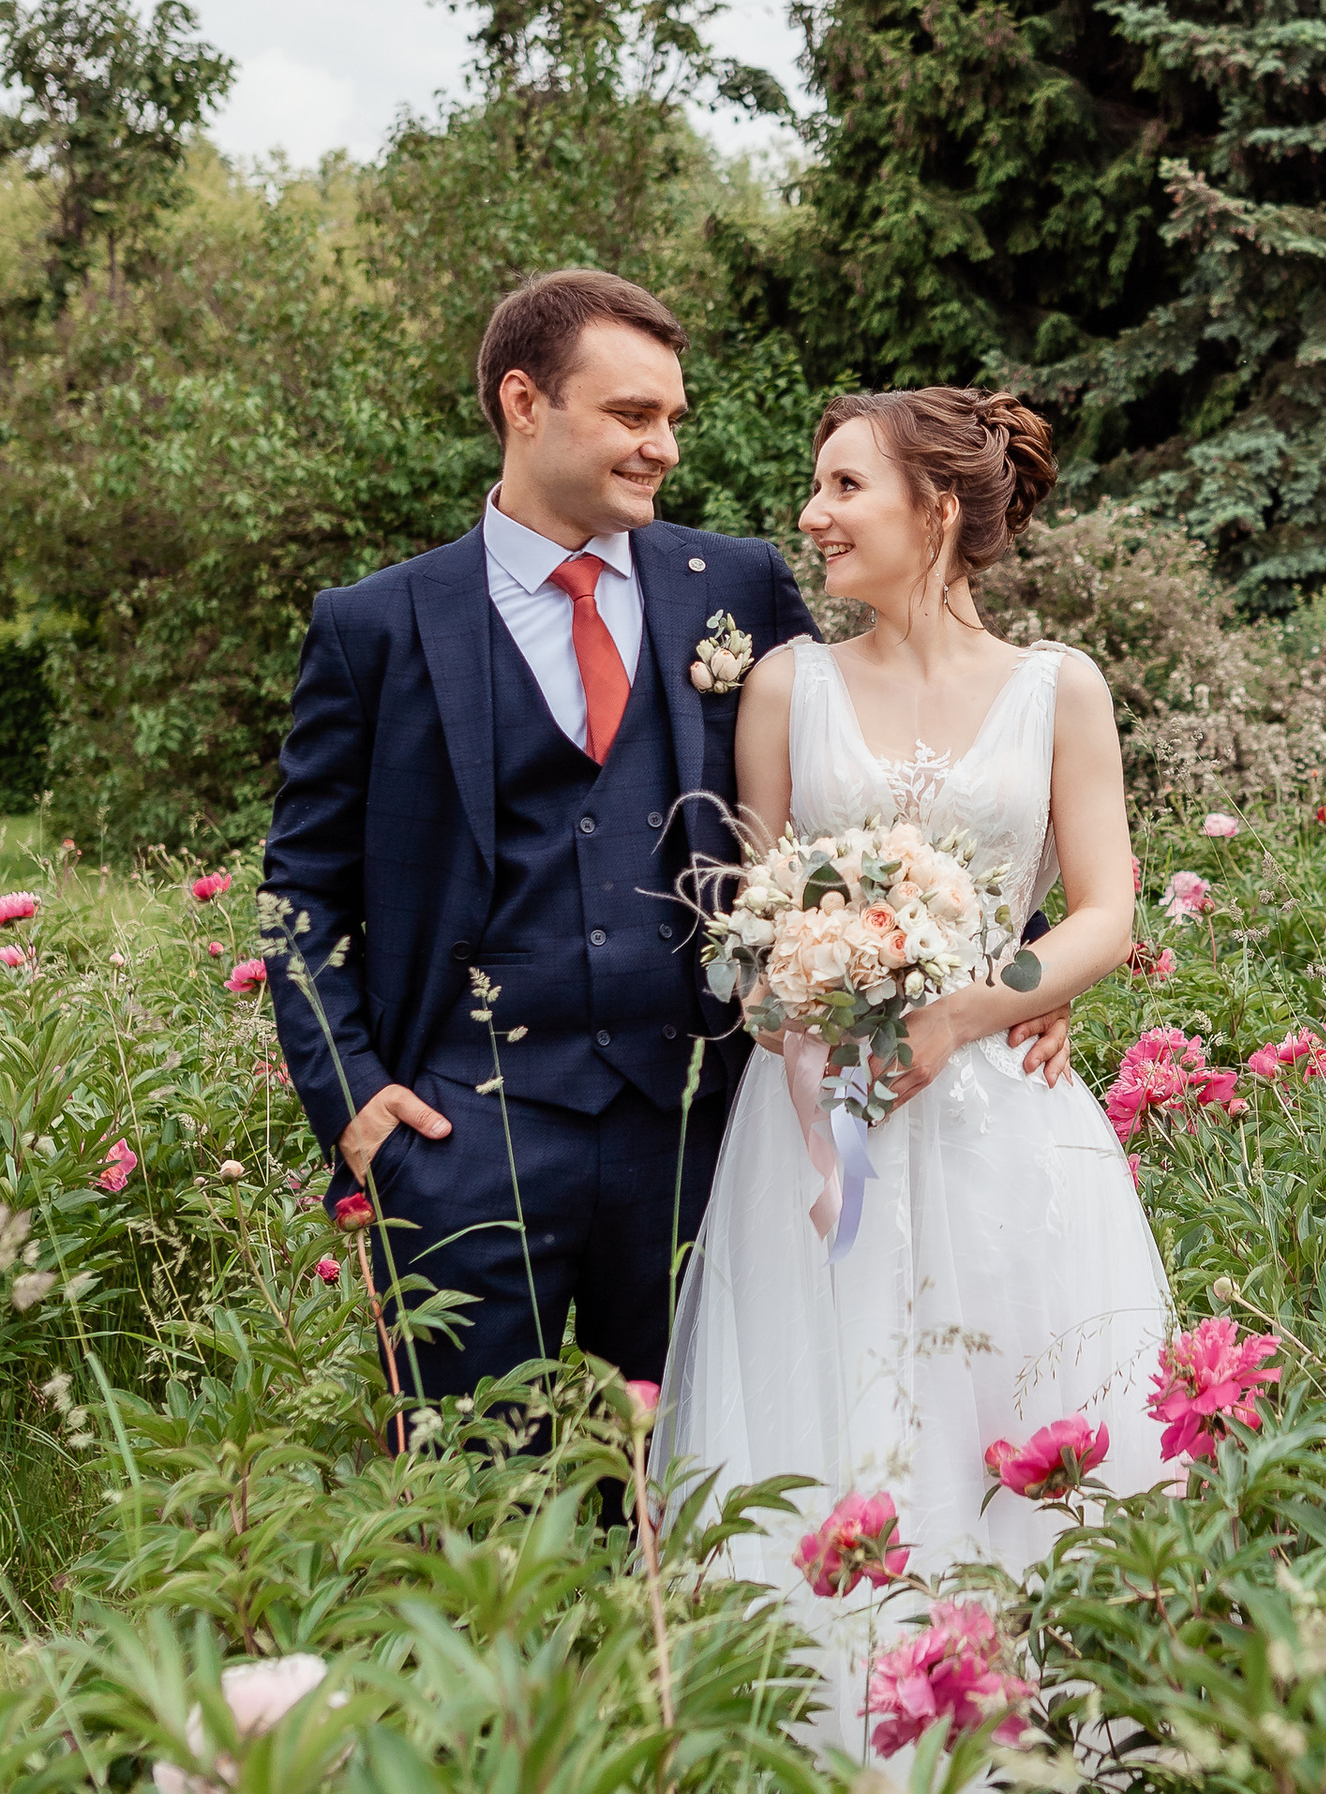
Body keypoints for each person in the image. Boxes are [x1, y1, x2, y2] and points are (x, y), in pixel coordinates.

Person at [263, 269, 1070, 1404]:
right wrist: (355, 1105)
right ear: (523, 403)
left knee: (686, 1508)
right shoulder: (377, 625)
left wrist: (1011, 965)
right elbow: (297, 894)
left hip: (702, 1131)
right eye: (632, 416)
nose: (664, 448)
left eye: (671, 419)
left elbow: (865, 797)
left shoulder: (730, 582)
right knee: (467, 1504)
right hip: (459, 1139)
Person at [652, 389, 1174, 1794]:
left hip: (1006, 1122)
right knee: (829, 1435)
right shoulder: (787, 690)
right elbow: (752, 914)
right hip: (814, 1126)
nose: (811, 518)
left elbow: (1104, 909)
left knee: (1007, 1442)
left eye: (840, 486)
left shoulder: (1059, 686)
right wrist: (800, 998)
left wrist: (981, 1004)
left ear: (936, 506)